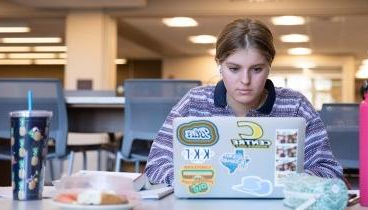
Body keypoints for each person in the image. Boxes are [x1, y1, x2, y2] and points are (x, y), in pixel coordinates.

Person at [145, 18, 343, 185]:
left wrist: (292, 182)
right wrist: (196, 182)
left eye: (257, 69)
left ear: (269, 66)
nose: (245, 81)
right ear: (219, 65)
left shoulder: (295, 106)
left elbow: (330, 172)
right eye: (234, 69)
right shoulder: (194, 103)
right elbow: (157, 164)